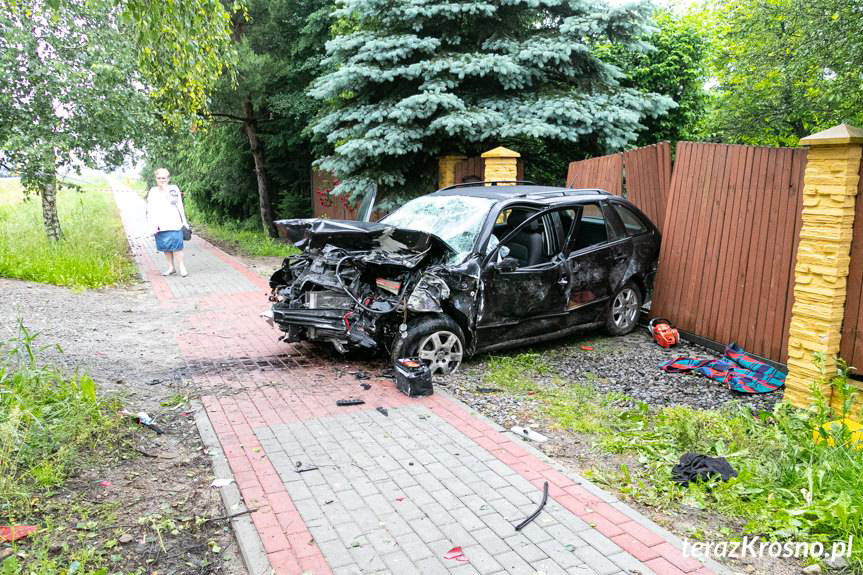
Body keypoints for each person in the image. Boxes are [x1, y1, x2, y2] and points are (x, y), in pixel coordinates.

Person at [146, 168, 189, 277]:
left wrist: (184, 222)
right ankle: (171, 267)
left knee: (177, 247)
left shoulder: (173, 188)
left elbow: (177, 204)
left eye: (164, 178)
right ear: (156, 179)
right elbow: (150, 208)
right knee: (165, 247)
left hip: (174, 223)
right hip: (160, 225)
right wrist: (151, 225)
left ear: (168, 178)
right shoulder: (153, 191)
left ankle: (182, 267)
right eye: (159, 178)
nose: (161, 180)